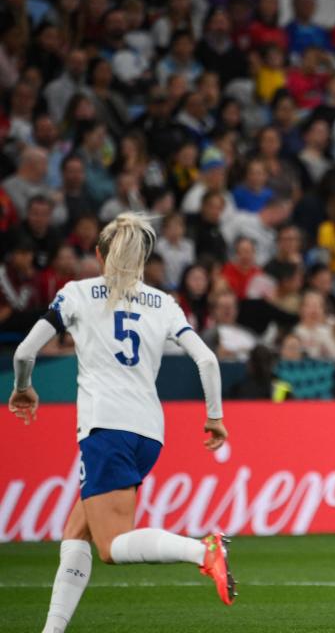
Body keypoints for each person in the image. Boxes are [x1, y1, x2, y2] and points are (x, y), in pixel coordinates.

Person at [8, 213, 236, 633]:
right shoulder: (164, 302)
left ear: (99, 255)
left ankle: (202, 550)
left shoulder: (77, 293)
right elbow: (206, 358)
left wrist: (23, 387)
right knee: (77, 530)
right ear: (143, 259)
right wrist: (215, 416)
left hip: (105, 428)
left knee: (111, 546)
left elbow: (24, 352)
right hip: (149, 433)